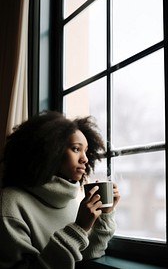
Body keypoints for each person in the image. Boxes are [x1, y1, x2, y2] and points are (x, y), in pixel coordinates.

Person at [0, 110, 120, 269]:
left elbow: (86, 255)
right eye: (76, 149)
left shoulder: (72, 202)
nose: (85, 158)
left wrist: (104, 216)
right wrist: (79, 228)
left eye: (86, 150)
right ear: (50, 150)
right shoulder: (9, 202)